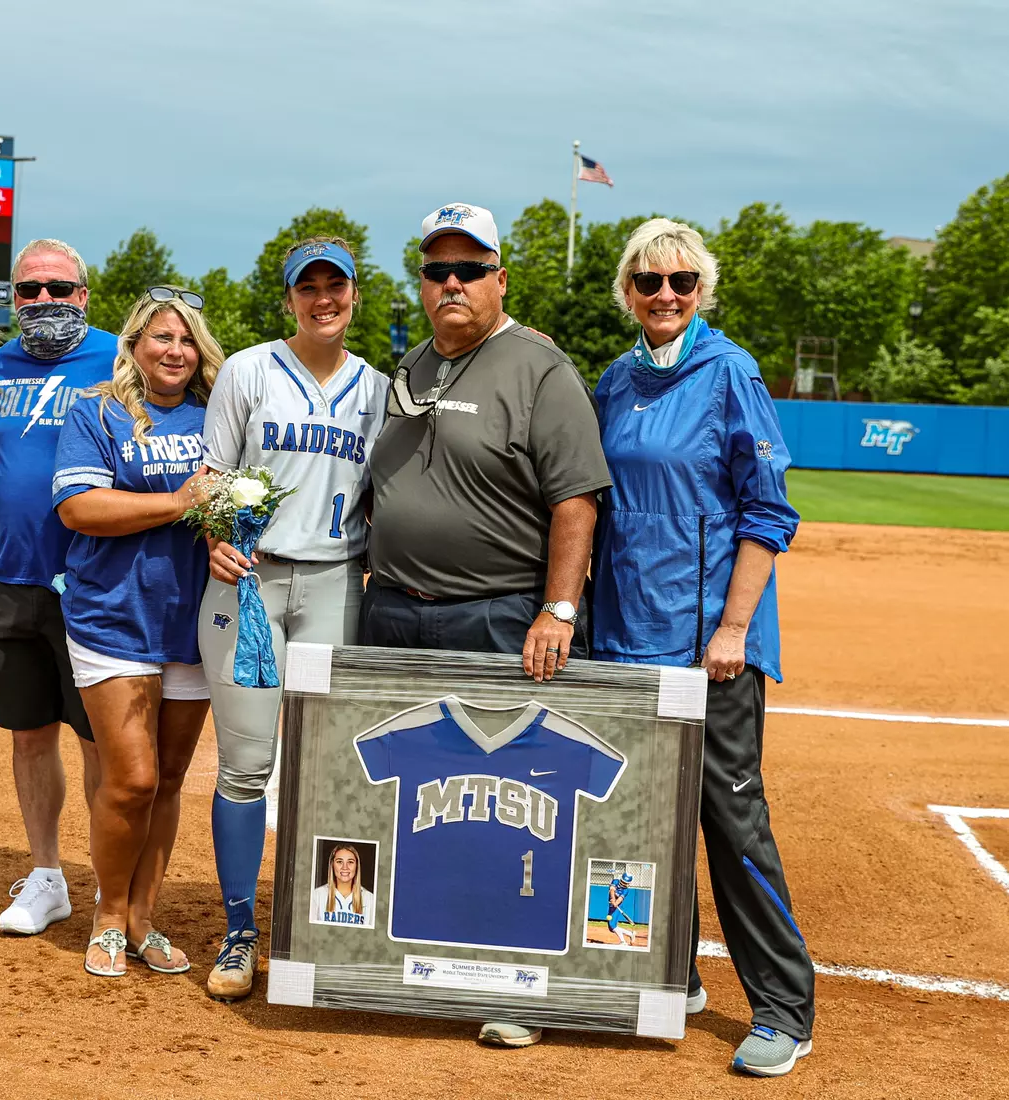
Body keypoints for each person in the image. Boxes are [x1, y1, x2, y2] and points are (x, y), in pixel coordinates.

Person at [362, 203, 611, 1048]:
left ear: (501, 278)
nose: (453, 283)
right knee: (416, 799)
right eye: (438, 271)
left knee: (508, 805)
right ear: (422, 283)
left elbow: (574, 501)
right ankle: (413, 965)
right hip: (393, 611)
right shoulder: (411, 363)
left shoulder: (541, 369)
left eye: (471, 269)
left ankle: (518, 985)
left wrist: (558, 607)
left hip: (497, 614)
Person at [592, 218, 814, 1077]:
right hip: (628, 635)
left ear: (701, 292)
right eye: (648, 282)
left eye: (682, 282)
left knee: (729, 819)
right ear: (627, 292)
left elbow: (768, 512)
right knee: (643, 818)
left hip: (710, 643)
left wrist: (732, 628)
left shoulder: (731, 373)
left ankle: (784, 1009)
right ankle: (667, 974)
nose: (665, 296)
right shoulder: (614, 380)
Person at [195, 238, 388, 1000]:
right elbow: (209, 474)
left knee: (333, 772)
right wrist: (215, 534)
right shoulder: (248, 369)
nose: (322, 299)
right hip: (250, 583)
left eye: (334, 286)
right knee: (246, 767)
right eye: (306, 288)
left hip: (339, 581)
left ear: (353, 295)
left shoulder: (379, 388)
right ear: (288, 301)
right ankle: (240, 930)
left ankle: (325, 928)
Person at [52, 287, 221, 976]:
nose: (175, 350)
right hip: (114, 615)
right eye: (160, 338)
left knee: (171, 779)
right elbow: (79, 508)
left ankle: (145, 920)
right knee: (132, 780)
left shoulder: (221, 414)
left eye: (185, 339)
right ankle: (109, 913)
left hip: (197, 619)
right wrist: (178, 502)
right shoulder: (97, 410)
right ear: (134, 345)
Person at [0, 239, 115, 935]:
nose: (44, 303)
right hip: (9, 579)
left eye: (58, 290)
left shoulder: (119, 357)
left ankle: (106, 883)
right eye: (29, 291)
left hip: (92, 584)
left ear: (83, 295)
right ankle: (48, 876)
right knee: (29, 737)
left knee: (98, 743)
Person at [309, 843, 373, 926]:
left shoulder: (370, 899)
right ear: (332, 865)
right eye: (339, 862)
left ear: (357, 865)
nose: (345, 867)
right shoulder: (316, 895)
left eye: (350, 862)